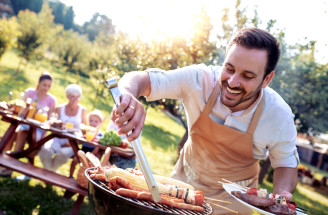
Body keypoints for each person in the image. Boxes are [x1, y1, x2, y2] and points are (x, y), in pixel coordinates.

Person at [112, 27, 299, 214]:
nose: (233, 82)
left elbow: (285, 163)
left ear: (267, 79)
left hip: (233, 206)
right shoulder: (200, 79)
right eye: (229, 68)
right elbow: (139, 79)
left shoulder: (279, 116)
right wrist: (128, 94)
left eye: (247, 76)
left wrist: (282, 194)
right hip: (181, 189)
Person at [0, 72, 56, 178]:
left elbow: (49, 121)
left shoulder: (51, 100)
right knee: (12, 134)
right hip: (24, 124)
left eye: (49, 86)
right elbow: (20, 112)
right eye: (44, 85)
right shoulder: (30, 93)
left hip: (38, 130)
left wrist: (43, 137)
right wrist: (27, 109)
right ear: (39, 83)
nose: (46, 88)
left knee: (21, 132)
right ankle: (5, 163)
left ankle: (10, 165)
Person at [39, 84, 87, 172]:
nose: (75, 99)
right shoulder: (59, 108)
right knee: (45, 150)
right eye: (73, 96)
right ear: (67, 96)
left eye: (78, 97)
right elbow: (53, 123)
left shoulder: (82, 110)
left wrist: (74, 142)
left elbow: (84, 131)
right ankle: (50, 172)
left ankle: (50, 171)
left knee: (63, 153)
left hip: (72, 141)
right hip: (57, 138)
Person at [69, 109, 104, 177]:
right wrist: (82, 137)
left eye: (96, 121)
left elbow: (98, 147)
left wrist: (91, 155)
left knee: (90, 166)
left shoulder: (100, 134)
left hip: (92, 153)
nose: (93, 123)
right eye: (91, 121)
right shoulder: (86, 131)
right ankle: (70, 175)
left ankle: (87, 179)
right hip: (83, 150)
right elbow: (79, 142)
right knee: (75, 160)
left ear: (100, 123)